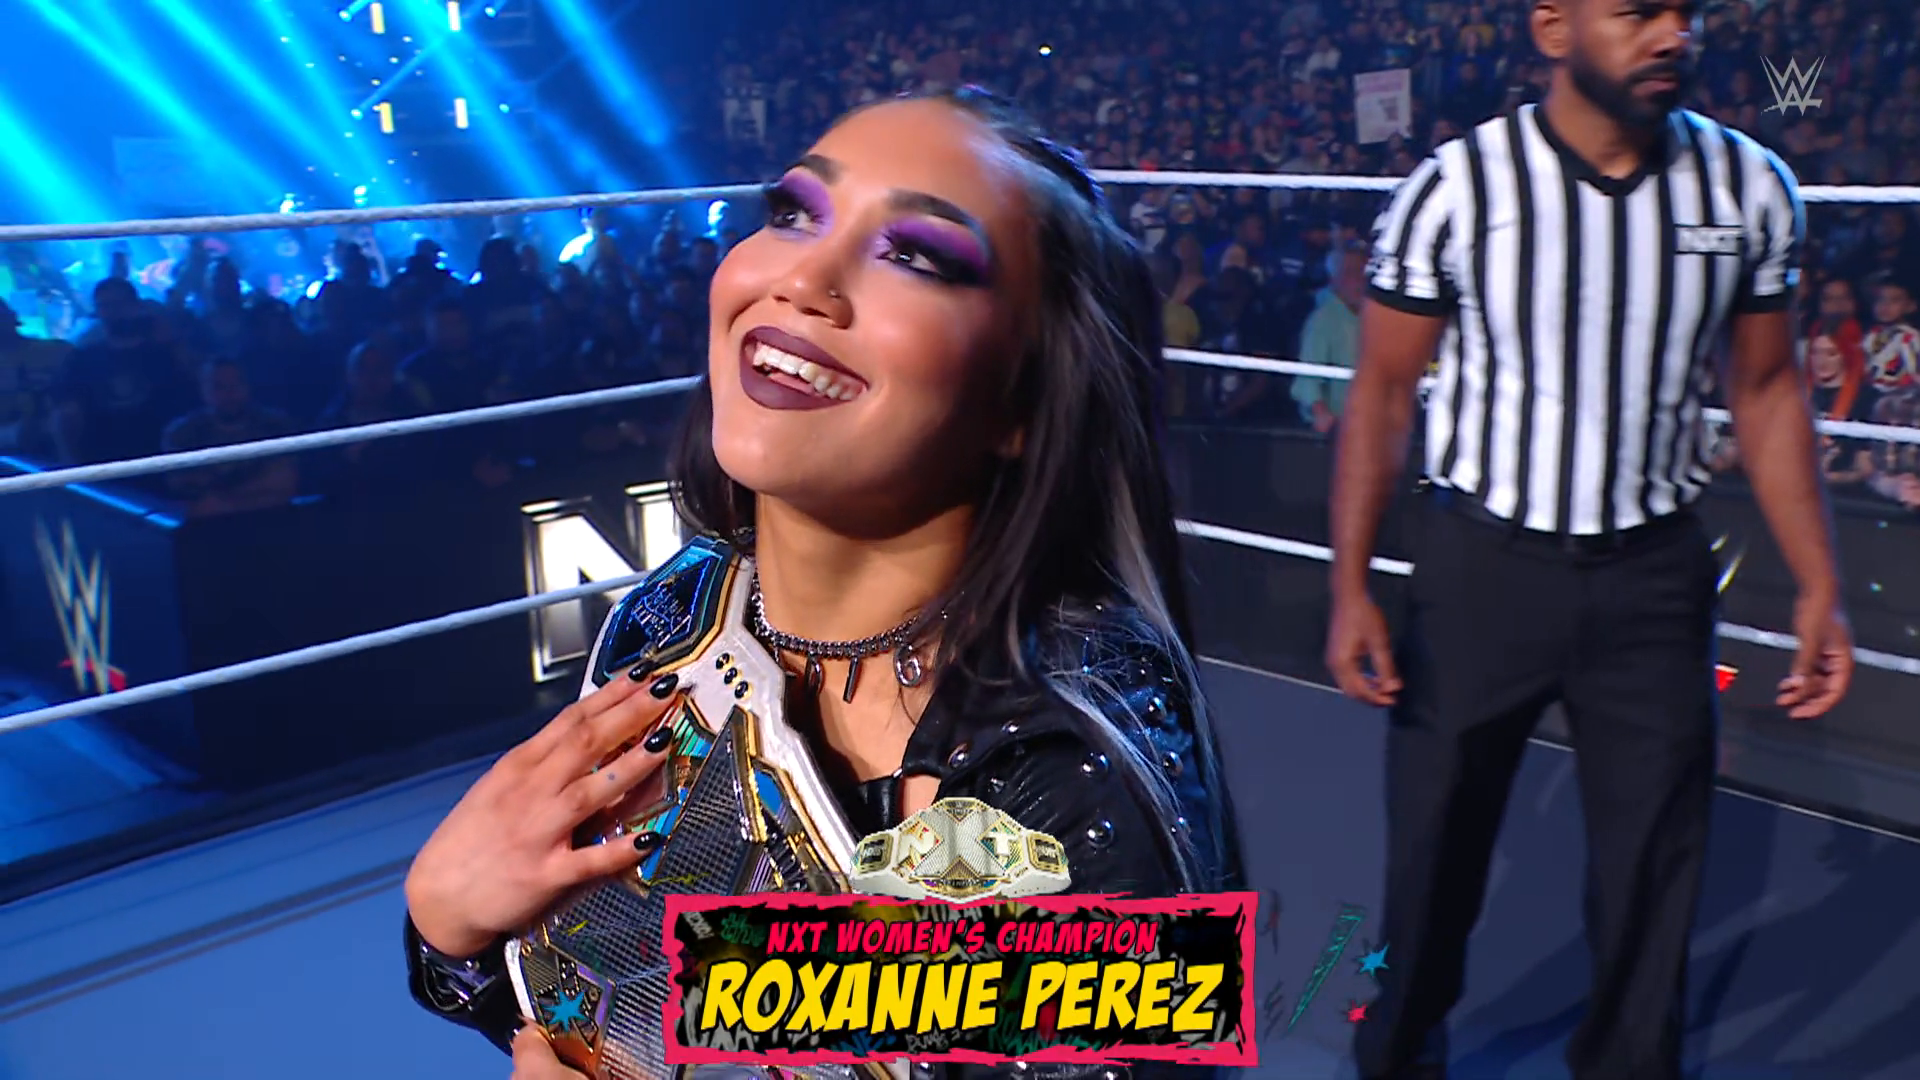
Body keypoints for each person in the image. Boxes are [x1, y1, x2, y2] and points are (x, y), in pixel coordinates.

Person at [401, 87, 1244, 1079]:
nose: (803, 276)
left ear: (1025, 397)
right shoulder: (673, 614)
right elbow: (595, 1002)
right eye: (796, 211)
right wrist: (446, 926)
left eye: (916, 256)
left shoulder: (1075, 772)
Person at [1324, 3, 1854, 1079]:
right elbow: (1381, 392)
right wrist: (1351, 588)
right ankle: (1398, 1052)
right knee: (1430, 860)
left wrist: (1817, 585)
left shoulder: (1750, 186)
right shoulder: (1458, 187)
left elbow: (1764, 389)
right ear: (1555, 27)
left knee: (1657, 871)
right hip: (1482, 569)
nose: (1672, 35)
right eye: (1638, 11)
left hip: (1653, 576)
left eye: (1684, 12)